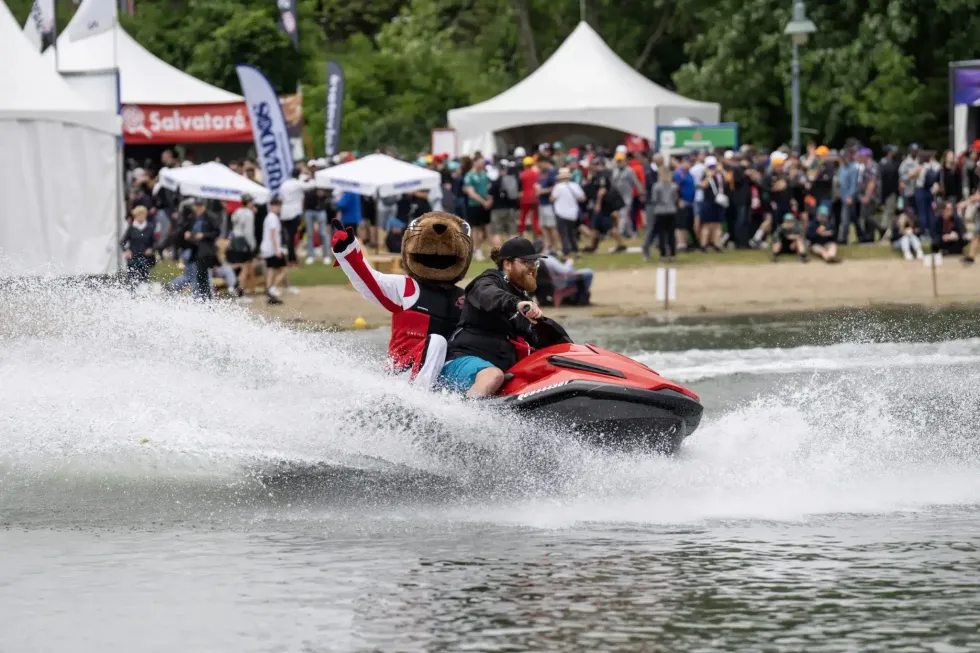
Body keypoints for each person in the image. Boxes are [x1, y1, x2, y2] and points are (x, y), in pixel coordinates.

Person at [441, 238, 545, 397]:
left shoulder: (523, 299)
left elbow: (540, 337)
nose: (532, 268)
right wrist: (517, 304)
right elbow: (488, 295)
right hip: (460, 360)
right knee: (493, 375)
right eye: (526, 262)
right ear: (507, 264)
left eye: (534, 262)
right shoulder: (488, 281)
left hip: (494, 368)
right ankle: (463, 419)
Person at [188, 198, 220, 300]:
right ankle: (200, 296)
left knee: (204, 275)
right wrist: (189, 234)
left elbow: (216, 232)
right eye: (197, 206)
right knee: (198, 275)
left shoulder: (211, 217)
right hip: (195, 249)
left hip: (206, 250)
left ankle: (207, 297)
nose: (198, 209)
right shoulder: (193, 217)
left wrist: (204, 235)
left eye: (200, 206)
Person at [644, 166, 678, 262]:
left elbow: (655, 199)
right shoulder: (674, 186)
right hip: (671, 210)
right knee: (671, 234)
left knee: (662, 234)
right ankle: (672, 255)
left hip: (660, 211)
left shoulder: (656, 186)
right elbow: (675, 198)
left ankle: (663, 255)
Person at [550, 167, 585, 256]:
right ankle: (576, 250)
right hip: (572, 214)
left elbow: (552, 199)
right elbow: (582, 198)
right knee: (572, 233)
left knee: (564, 234)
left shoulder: (557, 187)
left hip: (561, 213)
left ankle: (566, 252)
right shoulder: (575, 185)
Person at [260, 197, 288, 304]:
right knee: (284, 269)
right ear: (274, 206)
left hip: (267, 248)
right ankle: (272, 288)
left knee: (271, 270)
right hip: (272, 248)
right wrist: (277, 250)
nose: (280, 208)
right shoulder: (273, 218)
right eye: (279, 206)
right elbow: (273, 235)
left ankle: (269, 292)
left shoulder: (269, 217)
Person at [120, 206, 156, 290]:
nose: (141, 217)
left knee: (144, 279)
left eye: (142, 215)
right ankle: (132, 298)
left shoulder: (150, 227)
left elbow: (154, 242)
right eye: (138, 215)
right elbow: (122, 242)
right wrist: (126, 250)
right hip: (133, 257)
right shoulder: (131, 228)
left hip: (145, 258)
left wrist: (151, 249)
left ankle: (143, 298)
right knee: (132, 280)